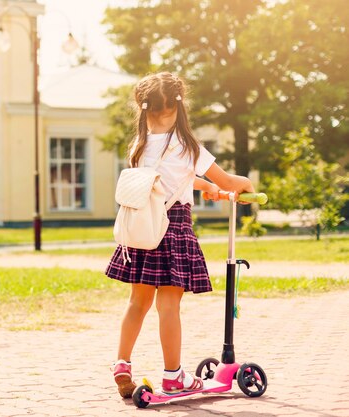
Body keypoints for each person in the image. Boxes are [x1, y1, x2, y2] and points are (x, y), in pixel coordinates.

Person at [106, 72, 254, 399]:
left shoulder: (139, 145)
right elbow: (230, 181)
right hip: (172, 228)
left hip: (143, 230)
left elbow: (169, 179)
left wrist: (208, 187)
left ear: (145, 110)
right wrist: (243, 184)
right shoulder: (188, 145)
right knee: (168, 305)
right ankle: (173, 376)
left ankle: (122, 364)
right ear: (177, 107)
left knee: (137, 302)